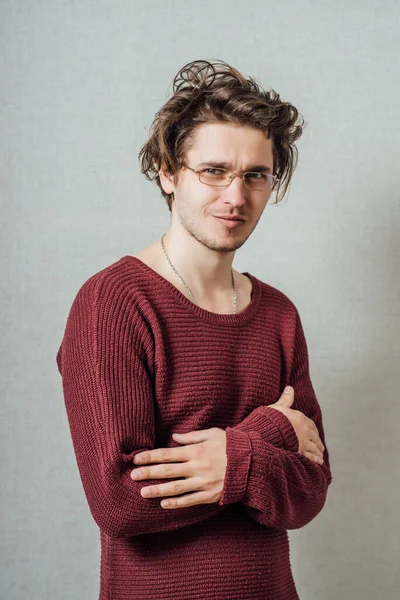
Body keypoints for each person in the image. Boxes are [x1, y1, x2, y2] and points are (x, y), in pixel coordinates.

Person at [56, 59, 332, 600]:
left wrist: (229, 459)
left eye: (256, 175)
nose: (236, 196)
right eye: (214, 171)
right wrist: (265, 439)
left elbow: (311, 488)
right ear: (167, 171)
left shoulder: (278, 314)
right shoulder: (113, 303)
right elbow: (119, 501)